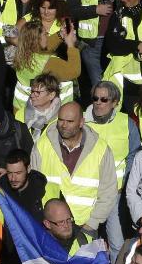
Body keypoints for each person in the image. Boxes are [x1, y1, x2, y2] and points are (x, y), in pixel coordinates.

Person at [30, 101, 119, 236]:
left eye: (70, 121)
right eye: (61, 120)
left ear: (81, 122)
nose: (64, 125)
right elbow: (32, 186)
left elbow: (108, 191)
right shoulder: (42, 145)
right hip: (50, 228)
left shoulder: (101, 149)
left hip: (85, 228)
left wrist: (92, 223)